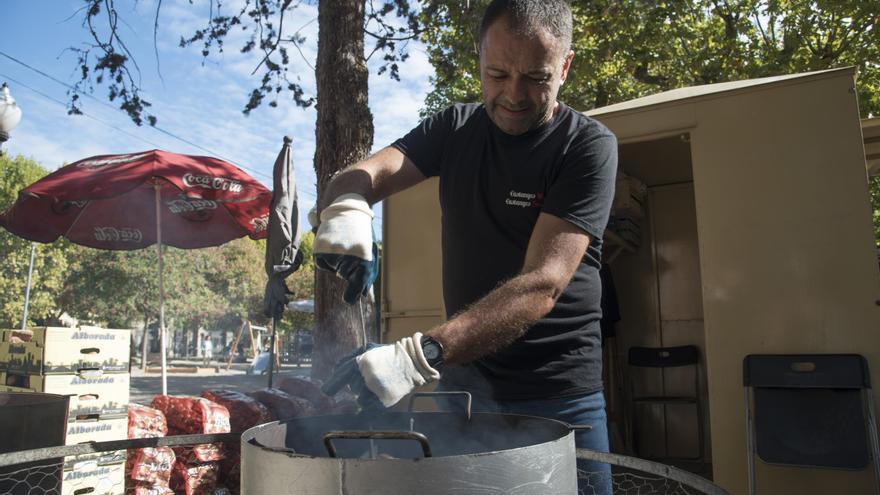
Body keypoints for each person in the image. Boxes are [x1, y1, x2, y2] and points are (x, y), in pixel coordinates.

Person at [313, 0, 617, 491]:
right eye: (497, 73)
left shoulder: (586, 146)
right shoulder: (454, 128)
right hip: (464, 390)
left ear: (565, 66)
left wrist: (419, 355)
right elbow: (362, 174)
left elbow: (542, 285)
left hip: (559, 396)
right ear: (479, 58)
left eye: (536, 77)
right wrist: (347, 208)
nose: (513, 95)